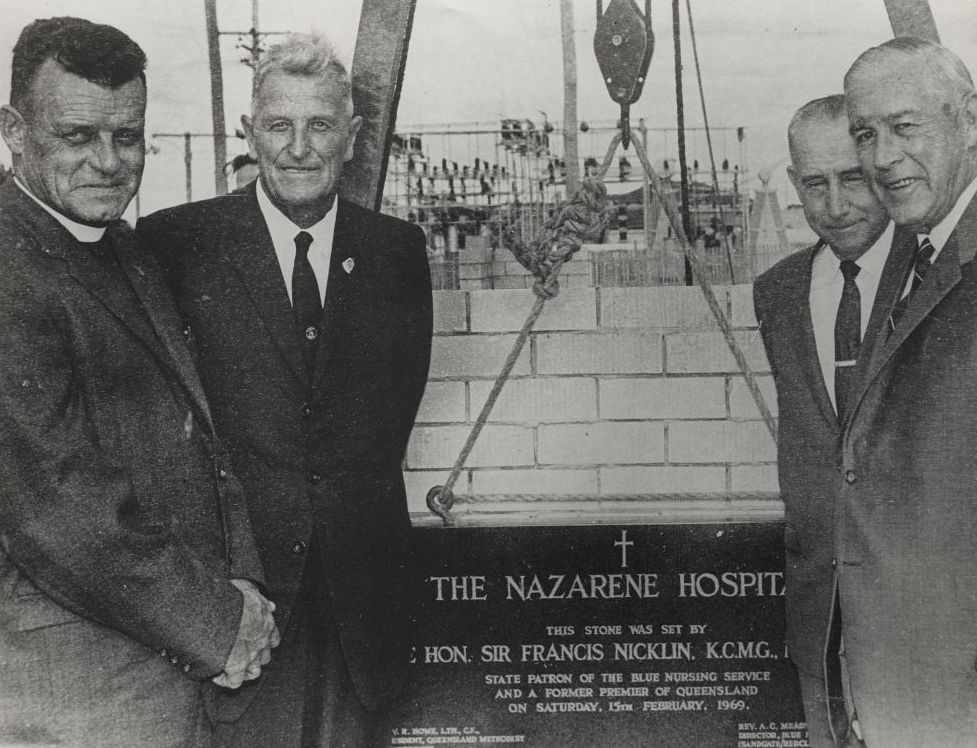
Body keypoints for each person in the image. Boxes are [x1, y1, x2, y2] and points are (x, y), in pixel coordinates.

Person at [139, 33, 433, 747]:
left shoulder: (397, 252)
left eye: (320, 125)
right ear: (250, 132)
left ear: (353, 138)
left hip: (361, 614)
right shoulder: (175, 245)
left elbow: (389, 421)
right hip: (236, 612)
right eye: (279, 125)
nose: (299, 147)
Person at [0, 17, 278, 747]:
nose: (107, 162)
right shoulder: (7, 267)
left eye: (127, 137)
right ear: (14, 132)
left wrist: (239, 592)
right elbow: (58, 504)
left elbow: (200, 440)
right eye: (77, 137)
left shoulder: (123, 247)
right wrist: (217, 623)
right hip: (74, 689)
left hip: (164, 666)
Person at [831, 37, 977, 746]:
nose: (880, 157)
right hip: (907, 681)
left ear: (969, 120)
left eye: (904, 126)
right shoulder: (911, 253)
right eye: (865, 133)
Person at [753, 95, 898, 747]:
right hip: (818, 610)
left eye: (853, 178)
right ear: (793, 185)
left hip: (927, 616)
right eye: (815, 184)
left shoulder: (943, 281)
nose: (835, 206)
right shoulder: (777, 292)